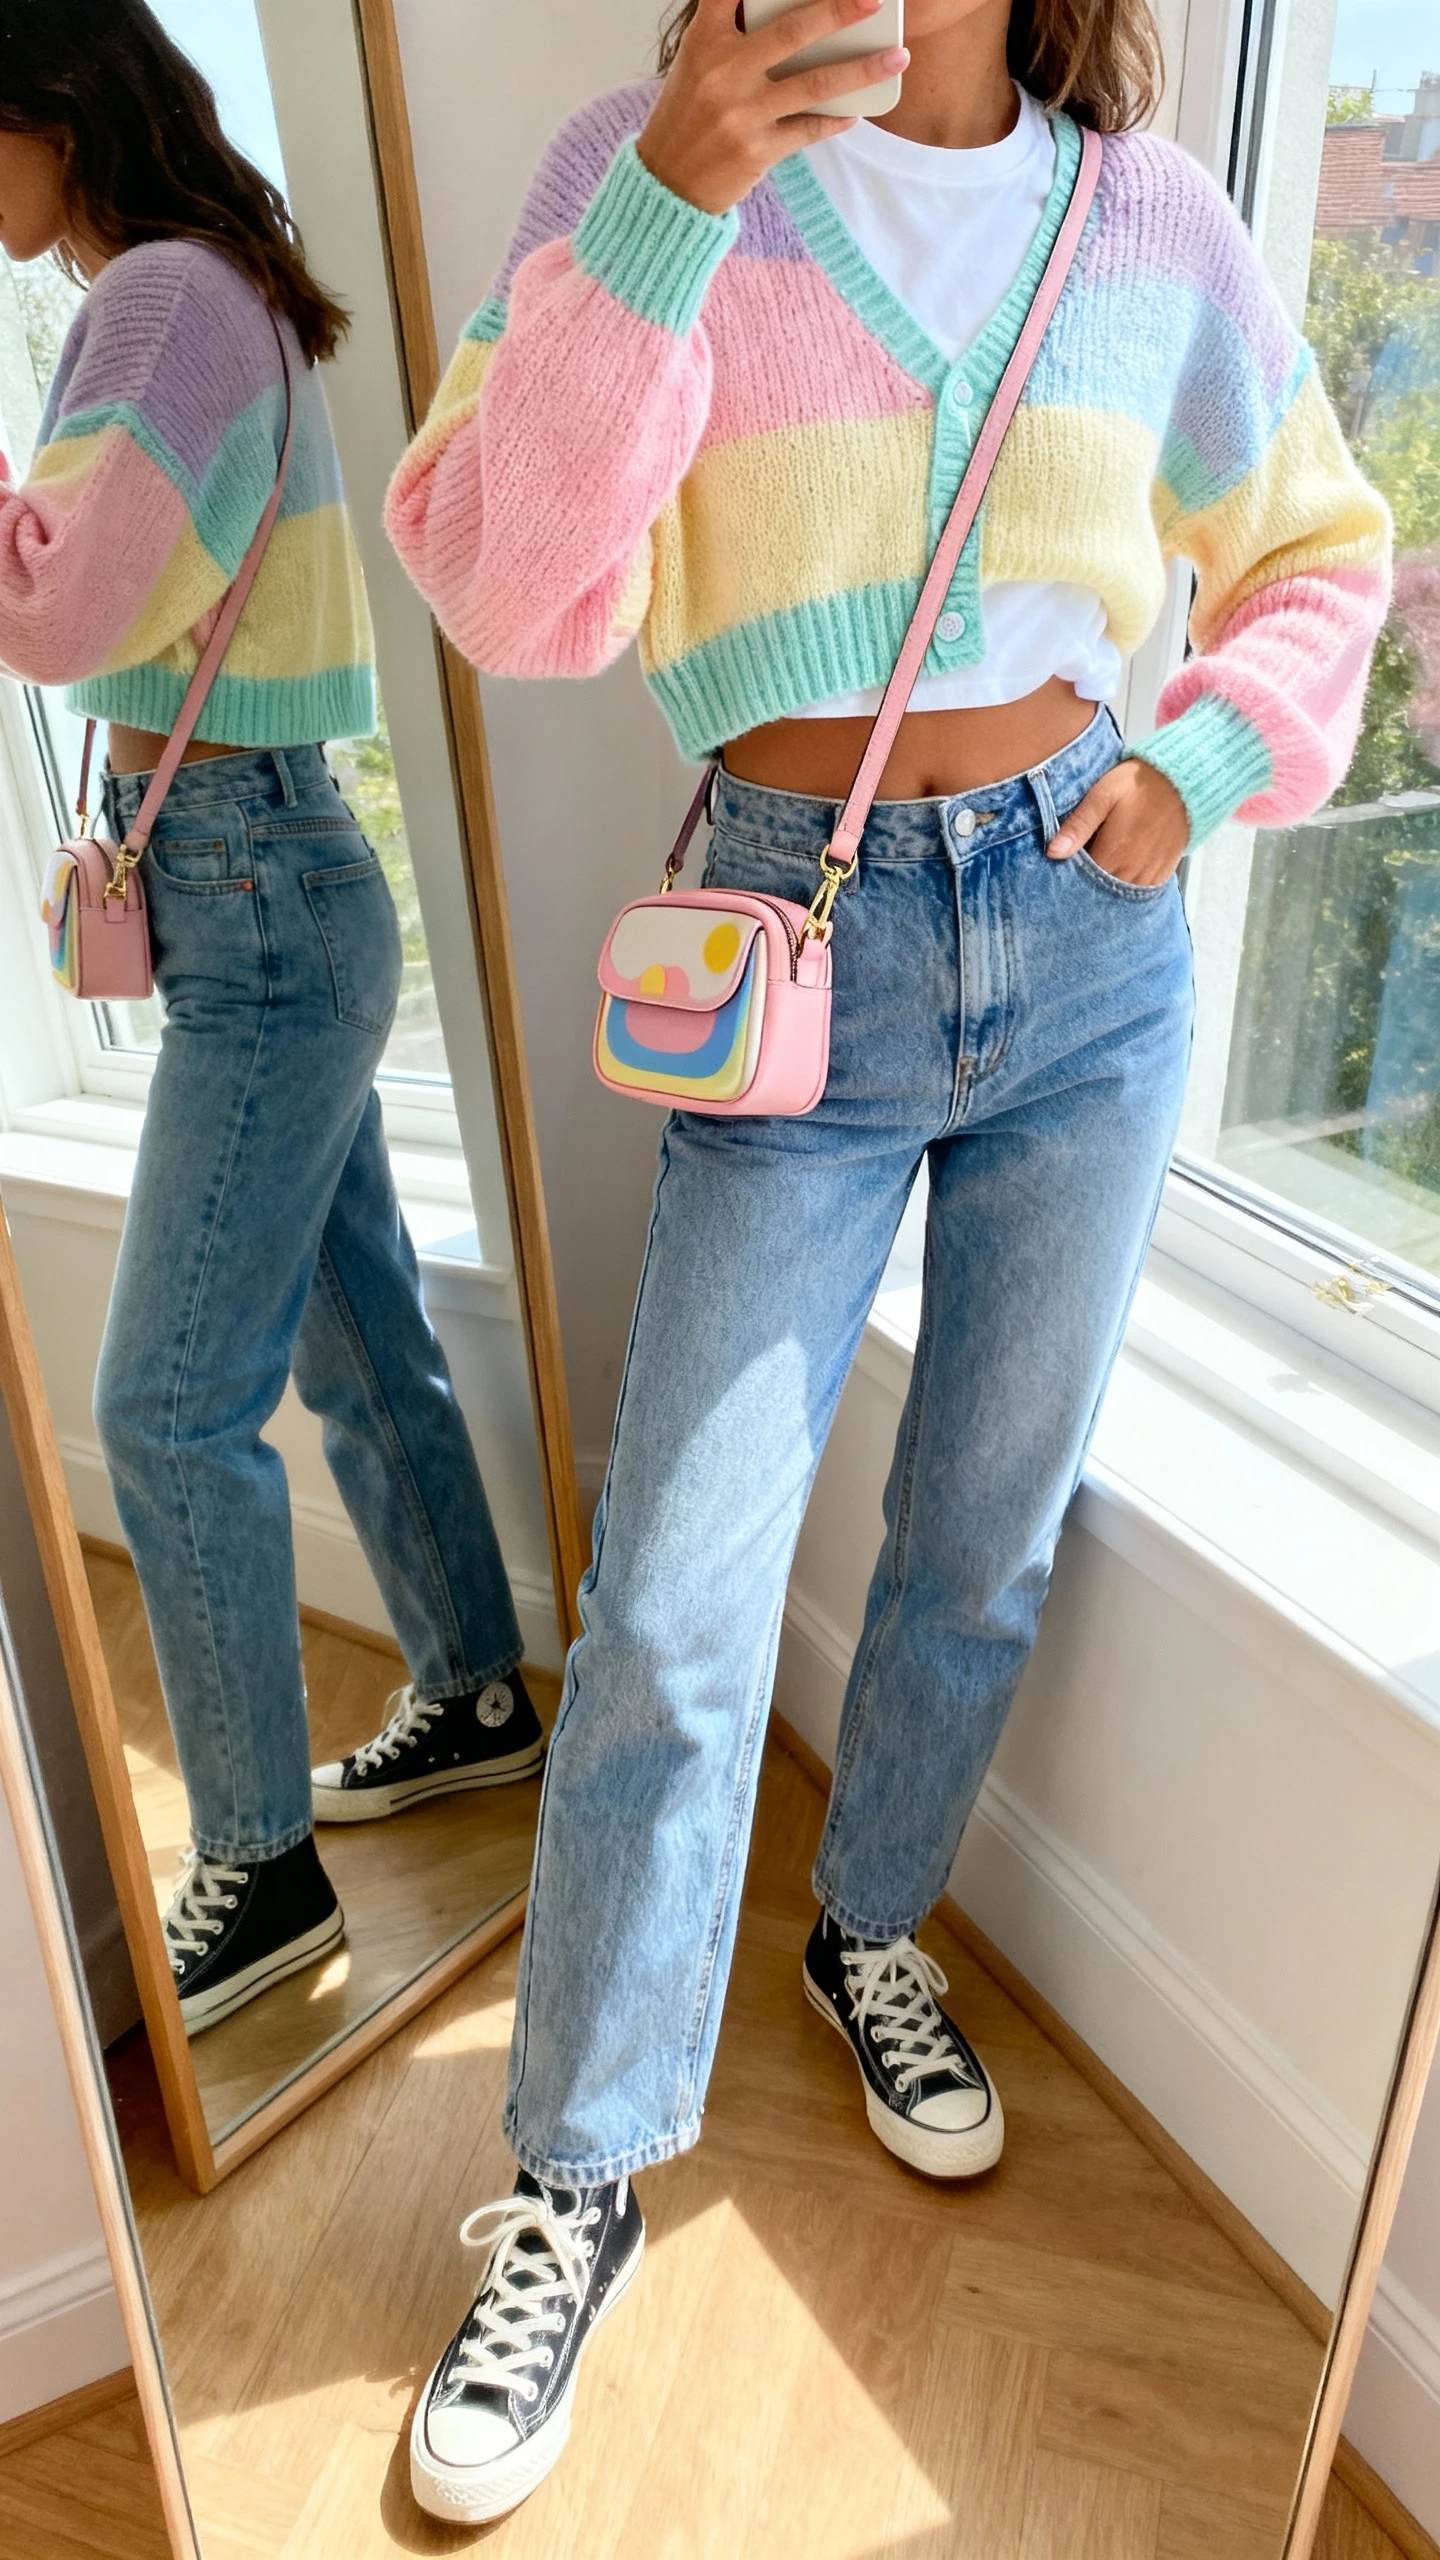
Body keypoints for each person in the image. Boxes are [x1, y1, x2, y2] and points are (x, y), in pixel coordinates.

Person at [387, 0, 1390, 2520]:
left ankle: (870, 1925)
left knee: (982, 1530)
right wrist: (668, 206)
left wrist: (1198, 756)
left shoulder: (1149, 223)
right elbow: (507, 590)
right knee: (674, 1602)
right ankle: (579, 2168)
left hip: (1089, 943)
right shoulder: (639, 172)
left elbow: (1321, 541)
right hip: (791, 943)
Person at [0, 0, 543, 2040]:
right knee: (357, 1332)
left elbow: (55, 609)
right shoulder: (218, 287)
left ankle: (260, 1866)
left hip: (248, 888)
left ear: (51, 108)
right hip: (281, 874)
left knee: (160, 1407)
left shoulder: (151, 300)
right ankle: (476, 1689)